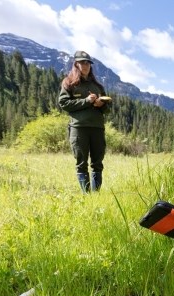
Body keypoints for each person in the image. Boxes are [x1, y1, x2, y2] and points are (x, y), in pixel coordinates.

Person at [58, 50, 110, 193]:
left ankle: (96, 195)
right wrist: (86, 101)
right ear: (76, 64)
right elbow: (64, 103)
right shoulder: (69, 83)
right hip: (79, 128)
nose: (85, 65)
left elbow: (108, 110)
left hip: (97, 128)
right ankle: (86, 196)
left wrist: (102, 104)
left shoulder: (98, 87)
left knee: (97, 164)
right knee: (81, 164)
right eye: (82, 62)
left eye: (87, 63)